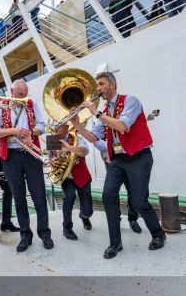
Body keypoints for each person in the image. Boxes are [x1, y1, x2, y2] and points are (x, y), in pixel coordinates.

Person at [71, 72, 165, 259]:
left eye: (101, 84)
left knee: (139, 201)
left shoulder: (130, 101)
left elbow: (122, 126)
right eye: (97, 85)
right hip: (118, 159)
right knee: (108, 195)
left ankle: (158, 233)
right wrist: (77, 125)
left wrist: (96, 113)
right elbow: (93, 138)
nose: (98, 89)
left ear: (112, 85)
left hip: (139, 156)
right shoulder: (104, 111)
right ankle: (115, 243)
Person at [0, 79, 52, 252]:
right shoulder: (2, 105)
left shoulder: (31, 104)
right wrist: (14, 131)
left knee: (39, 195)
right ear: (11, 91)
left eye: (24, 96)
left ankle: (45, 234)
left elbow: (41, 126)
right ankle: (25, 236)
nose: (22, 99)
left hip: (31, 155)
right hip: (11, 156)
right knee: (19, 197)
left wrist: (31, 133)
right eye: (19, 95)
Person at [49, 124, 93, 240]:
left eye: (60, 125)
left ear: (67, 127)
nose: (56, 128)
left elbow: (85, 151)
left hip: (82, 176)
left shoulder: (76, 136)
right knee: (69, 197)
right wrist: (52, 161)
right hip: (66, 177)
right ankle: (67, 228)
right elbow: (50, 158)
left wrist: (69, 148)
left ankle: (84, 216)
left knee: (88, 211)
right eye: (56, 125)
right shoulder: (53, 138)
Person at [94, 138, 142, 233]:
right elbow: (96, 141)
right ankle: (116, 219)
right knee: (112, 192)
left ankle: (133, 219)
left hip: (129, 159)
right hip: (111, 160)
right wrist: (112, 144)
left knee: (132, 190)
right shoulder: (100, 123)